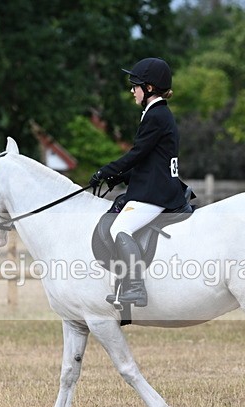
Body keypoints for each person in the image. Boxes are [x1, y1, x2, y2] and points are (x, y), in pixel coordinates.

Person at [90, 57, 187, 308]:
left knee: (119, 229)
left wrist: (106, 171)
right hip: (156, 184)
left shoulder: (156, 115)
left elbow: (137, 154)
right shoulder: (157, 113)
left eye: (136, 85)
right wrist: (121, 176)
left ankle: (135, 287)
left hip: (157, 192)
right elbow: (149, 161)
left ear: (150, 89)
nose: (132, 90)